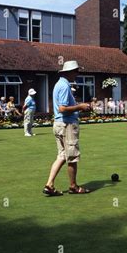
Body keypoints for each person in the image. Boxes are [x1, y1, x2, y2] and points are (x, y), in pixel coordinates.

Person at [43, 60, 91, 196]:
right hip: (67, 125)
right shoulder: (64, 86)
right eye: (76, 71)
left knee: (62, 155)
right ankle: (73, 186)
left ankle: (49, 185)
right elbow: (63, 108)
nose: (77, 74)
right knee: (72, 157)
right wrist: (80, 106)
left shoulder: (60, 84)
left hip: (58, 124)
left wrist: (77, 108)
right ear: (69, 72)